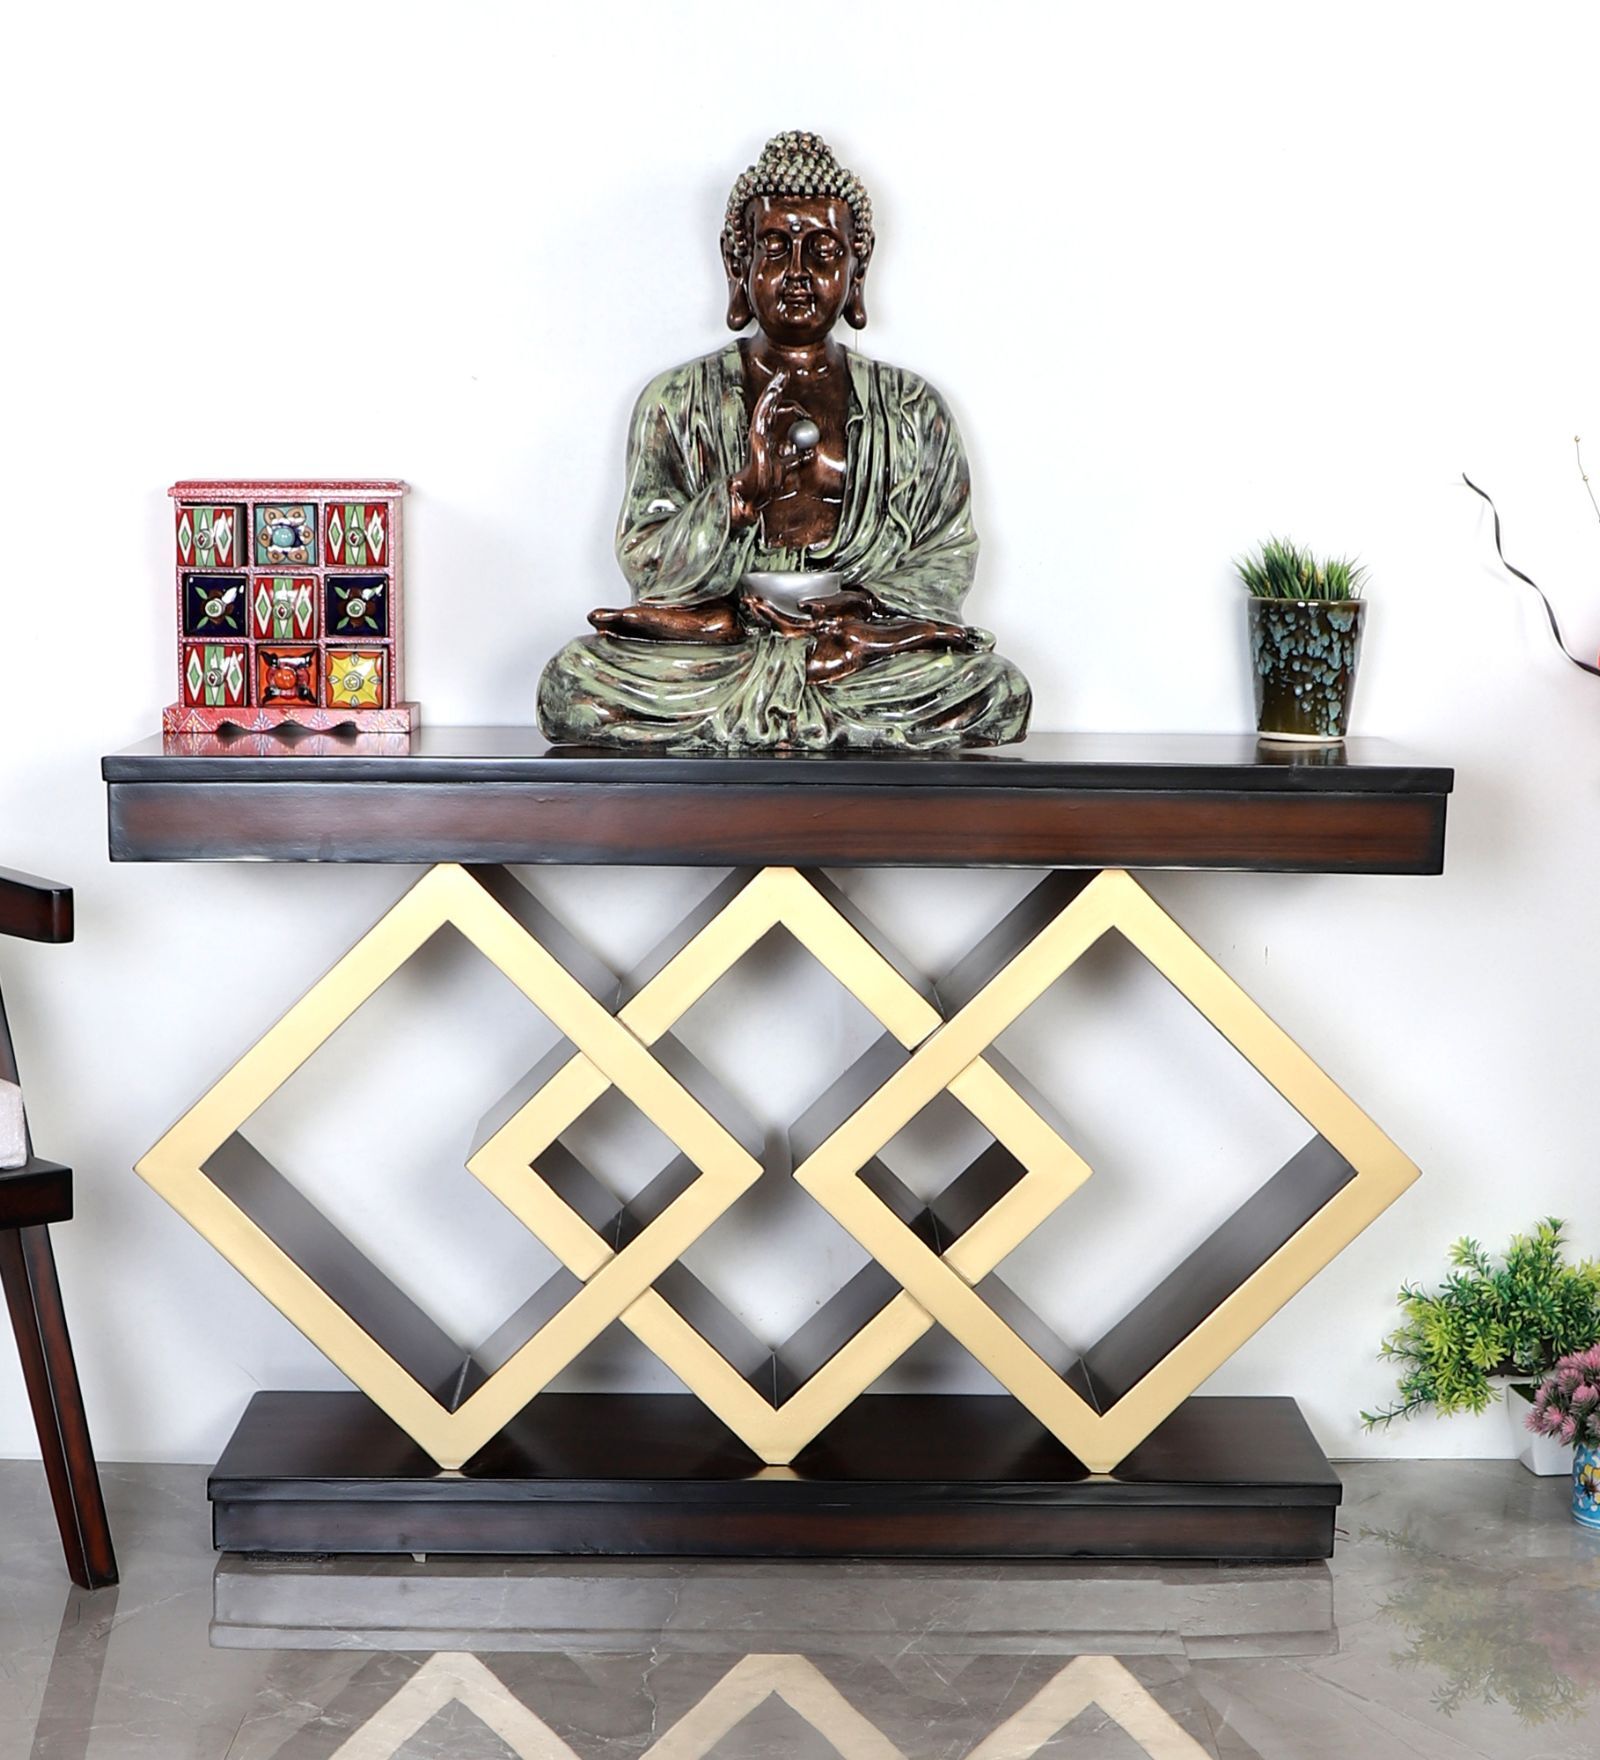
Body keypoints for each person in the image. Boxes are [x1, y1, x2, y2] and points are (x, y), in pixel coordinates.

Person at [537, 131, 1032, 750]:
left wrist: (863, 611)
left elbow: (946, 556)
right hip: (726, 649)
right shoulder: (677, 400)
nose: (798, 274)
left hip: (855, 654)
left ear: (857, 269)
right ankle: (819, 720)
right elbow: (646, 562)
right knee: (573, 682)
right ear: (738, 264)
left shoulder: (912, 407)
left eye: (823, 251)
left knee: (996, 689)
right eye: (775, 248)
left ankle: (797, 705)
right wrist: (740, 495)